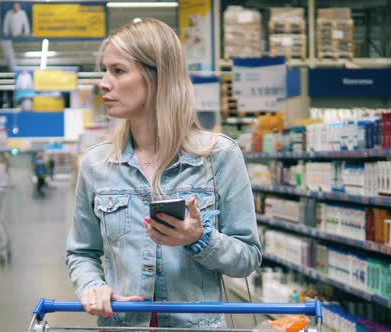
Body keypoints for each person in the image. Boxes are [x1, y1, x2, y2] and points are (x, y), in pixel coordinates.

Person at [66, 19, 262, 329]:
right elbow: (82, 252)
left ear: (157, 77)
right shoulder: (97, 164)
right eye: (105, 71)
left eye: (117, 71)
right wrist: (92, 286)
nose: (103, 83)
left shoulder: (218, 156)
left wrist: (200, 239)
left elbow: (248, 257)